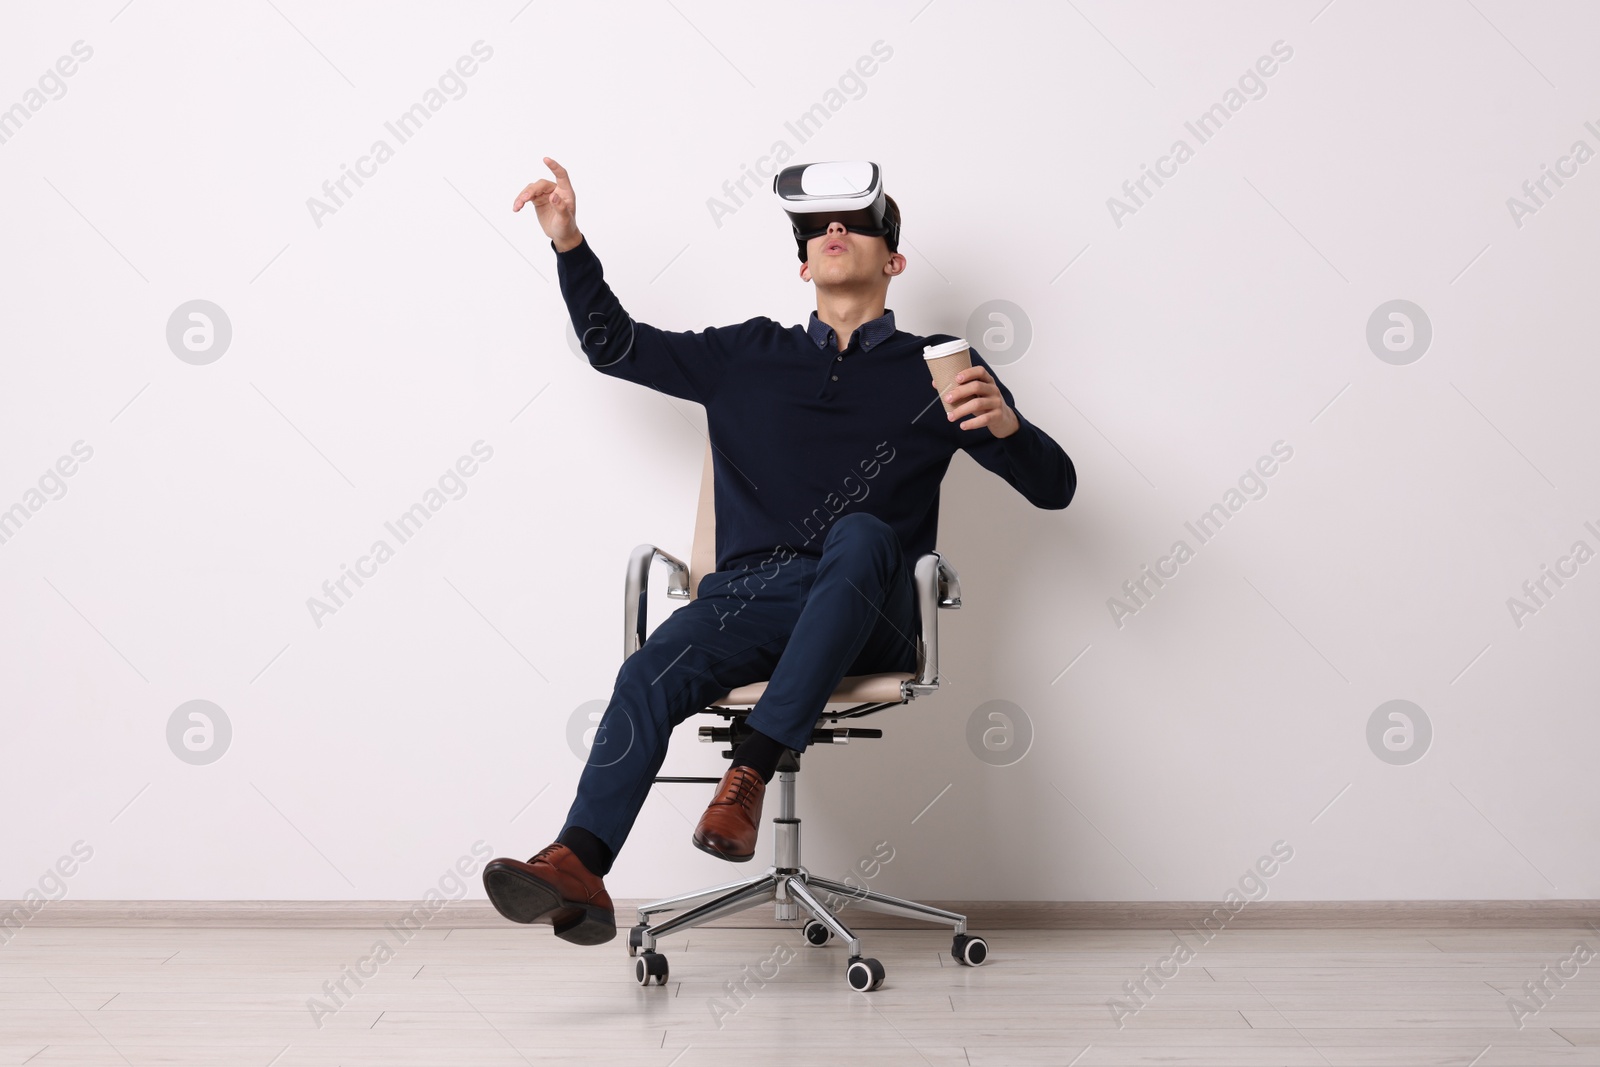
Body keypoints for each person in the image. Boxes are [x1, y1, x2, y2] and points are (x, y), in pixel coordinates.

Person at [482, 156, 1076, 946]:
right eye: (815, 227)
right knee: (650, 668)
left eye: (856, 222)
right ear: (803, 262)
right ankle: (579, 867)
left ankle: (750, 770)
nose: (834, 230)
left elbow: (1055, 488)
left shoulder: (939, 368)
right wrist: (568, 242)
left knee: (863, 532)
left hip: (872, 605)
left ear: (891, 258)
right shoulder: (747, 355)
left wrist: (1006, 426)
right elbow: (614, 347)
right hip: (750, 599)